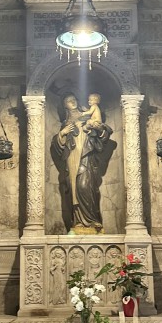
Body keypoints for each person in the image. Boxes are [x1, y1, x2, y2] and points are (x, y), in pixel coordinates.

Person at [51, 93, 113, 234]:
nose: (72, 101)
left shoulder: (88, 115)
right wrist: (62, 133)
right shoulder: (65, 123)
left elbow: (104, 132)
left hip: (87, 156)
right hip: (72, 158)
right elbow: (57, 145)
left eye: (73, 99)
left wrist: (97, 128)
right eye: (68, 100)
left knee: (85, 185)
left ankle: (92, 221)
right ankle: (78, 222)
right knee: (74, 189)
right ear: (64, 105)